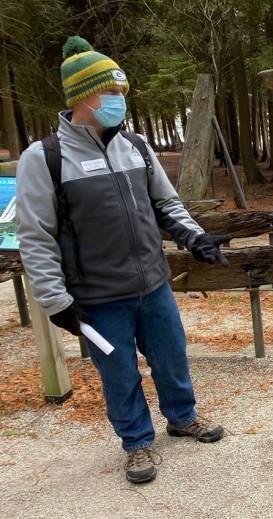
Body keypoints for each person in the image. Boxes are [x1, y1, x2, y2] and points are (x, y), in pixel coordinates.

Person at [16, 36, 230, 484]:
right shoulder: (45, 158)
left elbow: (167, 204)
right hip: (97, 298)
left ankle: (182, 416)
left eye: (121, 94)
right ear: (82, 97)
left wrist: (196, 239)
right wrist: (56, 301)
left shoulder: (134, 144)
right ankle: (136, 443)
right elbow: (35, 237)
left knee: (172, 356)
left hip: (153, 285)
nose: (119, 102)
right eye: (110, 93)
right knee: (118, 373)